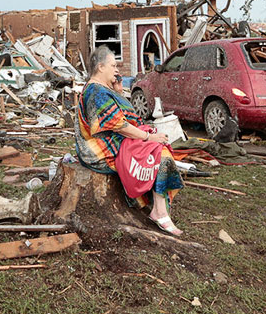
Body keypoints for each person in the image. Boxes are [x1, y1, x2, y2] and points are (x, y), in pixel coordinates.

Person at [75, 46, 185, 235]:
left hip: (116, 141)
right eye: (113, 65)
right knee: (160, 152)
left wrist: (118, 91)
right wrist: (149, 137)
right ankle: (159, 211)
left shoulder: (104, 89)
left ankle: (158, 208)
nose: (117, 70)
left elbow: (124, 118)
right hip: (102, 150)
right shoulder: (96, 92)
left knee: (159, 147)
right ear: (101, 67)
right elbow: (120, 126)